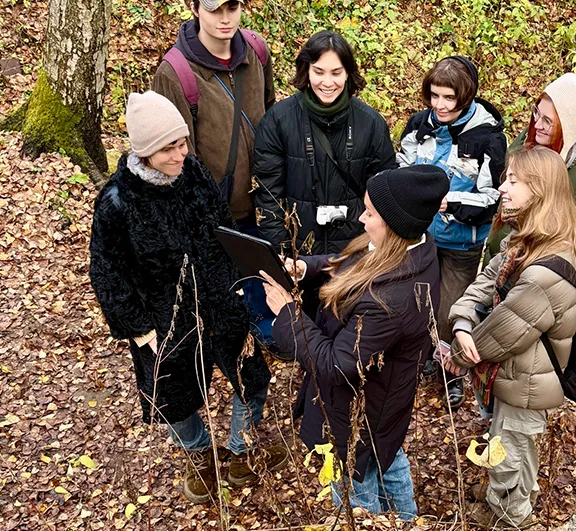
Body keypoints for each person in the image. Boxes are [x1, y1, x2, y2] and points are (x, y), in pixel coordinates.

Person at [89, 92, 286, 505]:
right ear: (144, 152)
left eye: (182, 143)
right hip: (163, 321)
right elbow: (107, 274)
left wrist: (237, 283)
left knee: (250, 377)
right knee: (171, 400)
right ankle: (199, 454)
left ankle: (240, 451)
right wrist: (139, 330)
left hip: (219, 301)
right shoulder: (117, 202)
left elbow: (221, 231)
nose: (181, 154)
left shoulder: (193, 172)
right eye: (169, 148)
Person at [259, 166, 449, 519]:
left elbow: (335, 365)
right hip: (385, 400)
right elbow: (351, 263)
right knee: (387, 457)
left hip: (359, 412)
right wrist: (309, 268)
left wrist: (288, 314)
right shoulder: (410, 249)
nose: (362, 219)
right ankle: (407, 524)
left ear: (395, 224)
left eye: (371, 213)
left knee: (354, 481)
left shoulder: (390, 299)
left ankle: (377, 525)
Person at [444, 147, 576, 527]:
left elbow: (502, 333)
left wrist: (460, 356)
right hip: (515, 376)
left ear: (540, 190)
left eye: (513, 180)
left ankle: (512, 519)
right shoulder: (524, 242)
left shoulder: (546, 268)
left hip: (527, 381)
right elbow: (484, 282)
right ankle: (506, 498)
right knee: (513, 442)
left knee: (511, 448)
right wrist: (461, 320)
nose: (502, 187)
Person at [151, 0, 277, 343]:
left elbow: (270, 111)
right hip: (217, 204)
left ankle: (265, 325)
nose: (224, 18)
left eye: (232, 7)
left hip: (264, 193)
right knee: (224, 278)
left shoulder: (257, 51)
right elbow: (177, 158)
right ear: (194, 8)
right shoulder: (175, 73)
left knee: (262, 265)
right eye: (213, 9)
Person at [396, 56, 506, 411]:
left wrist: (450, 202)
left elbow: (493, 197)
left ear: (466, 96)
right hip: (421, 235)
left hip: (464, 241)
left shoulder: (489, 138)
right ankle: (423, 360)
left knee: (452, 309)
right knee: (418, 301)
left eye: (448, 98)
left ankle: (454, 372)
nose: (440, 105)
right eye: (434, 96)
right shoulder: (418, 125)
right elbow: (402, 168)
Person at [253, 30, 398, 258]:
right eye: (318, 72)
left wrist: (369, 248)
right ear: (306, 71)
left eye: (336, 73)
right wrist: (283, 252)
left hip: (355, 253)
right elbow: (268, 194)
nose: (327, 82)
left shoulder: (371, 123)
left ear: (348, 73)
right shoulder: (278, 120)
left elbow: (384, 193)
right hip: (298, 252)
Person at [483, 73, 576, 291]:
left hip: (545, 296)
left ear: (570, 127)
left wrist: (569, 295)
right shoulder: (524, 153)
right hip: (498, 277)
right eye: (536, 113)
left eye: (548, 121)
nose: (537, 125)